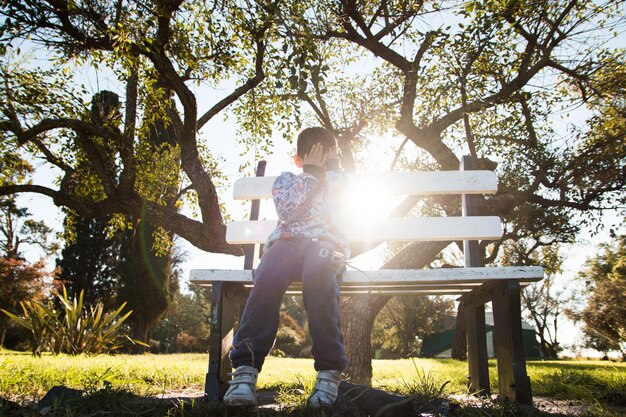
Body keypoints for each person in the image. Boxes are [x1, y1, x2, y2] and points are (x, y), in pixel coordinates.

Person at [224, 127, 350, 408]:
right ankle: (245, 370)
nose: (319, 164)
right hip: (287, 243)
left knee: (319, 276)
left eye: (326, 157)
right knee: (267, 277)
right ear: (298, 160)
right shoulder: (286, 180)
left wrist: (330, 172)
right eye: (311, 158)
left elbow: (343, 216)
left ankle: (330, 371)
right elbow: (289, 210)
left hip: (325, 244)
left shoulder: (339, 182)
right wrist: (312, 174)